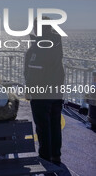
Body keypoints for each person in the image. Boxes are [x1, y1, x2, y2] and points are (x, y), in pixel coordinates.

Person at [24, 17, 65, 165]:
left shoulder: (39, 46)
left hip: (41, 93)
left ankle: (45, 158)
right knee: (54, 125)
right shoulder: (56, 42)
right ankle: (55, 156)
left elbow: (35, 70)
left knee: (43, 127)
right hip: (56, 92)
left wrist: (29, 89)